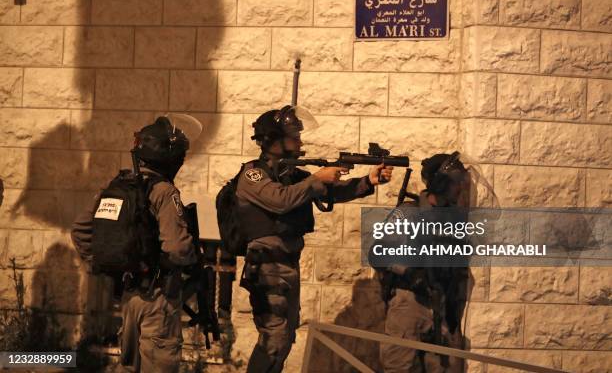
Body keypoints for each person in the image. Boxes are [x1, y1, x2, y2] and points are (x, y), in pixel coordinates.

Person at [237, 105, 393, 373]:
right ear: (274, 140)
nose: (300, 141)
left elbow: (332, 191)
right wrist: (317, 179)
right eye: (294, 136)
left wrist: (368, 181)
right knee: (274, 338)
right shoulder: (253, 174)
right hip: (267, 267)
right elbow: (280, 201)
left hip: (287, 265)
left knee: (285, 337)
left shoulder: (293, 175)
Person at [71, 115, 202, 373]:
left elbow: (80, 230)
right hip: (158, 298)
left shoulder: (118, 185)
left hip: (130, 297)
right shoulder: (164, 191)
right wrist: (192, 259)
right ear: (170, 157)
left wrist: (105, 263)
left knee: (129, 367)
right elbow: (177, 248)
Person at [378, 152, 471, 373]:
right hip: (409, 301)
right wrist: (408, 272)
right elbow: (377, 253)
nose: (460, 188)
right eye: (456, 183)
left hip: (440, 304)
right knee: (399, 367)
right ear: (440, 184)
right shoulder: (408, 213)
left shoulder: (453, 219)